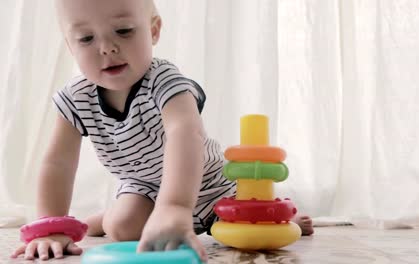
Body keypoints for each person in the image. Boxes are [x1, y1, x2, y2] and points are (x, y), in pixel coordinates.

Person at [11, 0, 313, 261]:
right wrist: (51, 227)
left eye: (124, 31)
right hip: (143, 186)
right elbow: (58, 163)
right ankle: (106, 219)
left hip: (209, 184)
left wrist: (176, 206)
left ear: (154, 30)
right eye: (86, 38)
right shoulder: (75, 97)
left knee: (249, 229)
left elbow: (185, 133)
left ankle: (274, 213)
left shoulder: (165, 80)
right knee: (123, 227)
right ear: (69, 45)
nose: (107, 47)